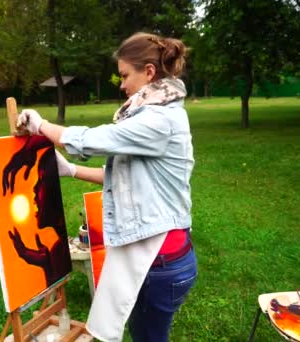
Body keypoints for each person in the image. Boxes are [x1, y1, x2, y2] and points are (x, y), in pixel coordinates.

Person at [16, 32, 197, 342]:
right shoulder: (149, 117)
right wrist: (71, 170)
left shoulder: (159, 120)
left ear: (149, 73)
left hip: (160, 262)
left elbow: (94, 140)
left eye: (126, 75)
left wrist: (42, 126)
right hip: (153, 258)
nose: (122, 84)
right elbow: (124, 177)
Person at [2, 135, 72, 287]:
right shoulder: (58, 251)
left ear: (54, 190)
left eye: (41, 180)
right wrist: (47, 264)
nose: (34, 188)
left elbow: (79, 138)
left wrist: (30, 147)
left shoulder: (60, 251)